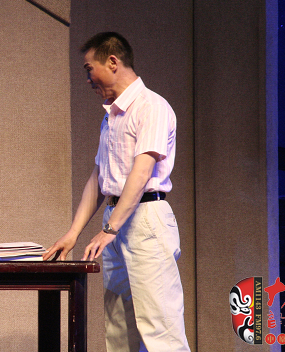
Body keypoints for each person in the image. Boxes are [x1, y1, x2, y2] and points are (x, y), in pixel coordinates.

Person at [43, 32, 190, 352]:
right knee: (119, 329)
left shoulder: (151, 106)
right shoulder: (111, 117)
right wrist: (73, 233)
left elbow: (141, 172)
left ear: (112, 62)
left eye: (89, 69)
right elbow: (99, 178)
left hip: (145, 218)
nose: (87, 79)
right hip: (116, 218)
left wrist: (109, 229)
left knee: (160, 328)